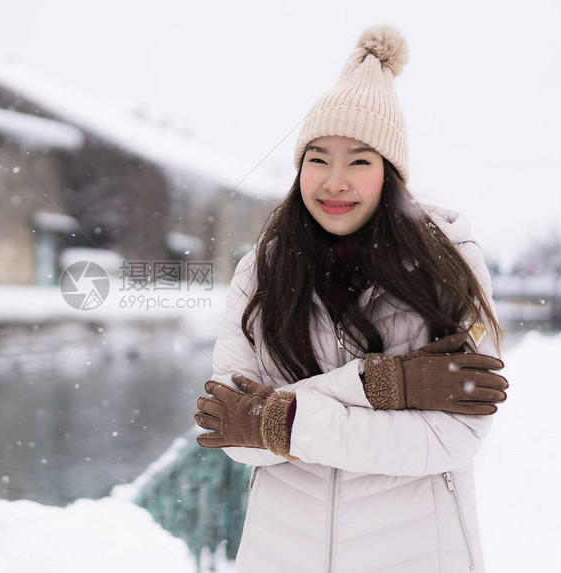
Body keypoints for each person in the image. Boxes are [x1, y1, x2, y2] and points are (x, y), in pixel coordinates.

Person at [194, 25, 508, 573]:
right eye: (318, 158)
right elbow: (232, 429)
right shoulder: (261, 272)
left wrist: (281, 419)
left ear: (390, 174)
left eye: (359, 161)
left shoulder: (449, 265)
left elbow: (454, 435)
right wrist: (387, 386)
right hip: (279, 555)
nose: (334, 182)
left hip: (416, 555)